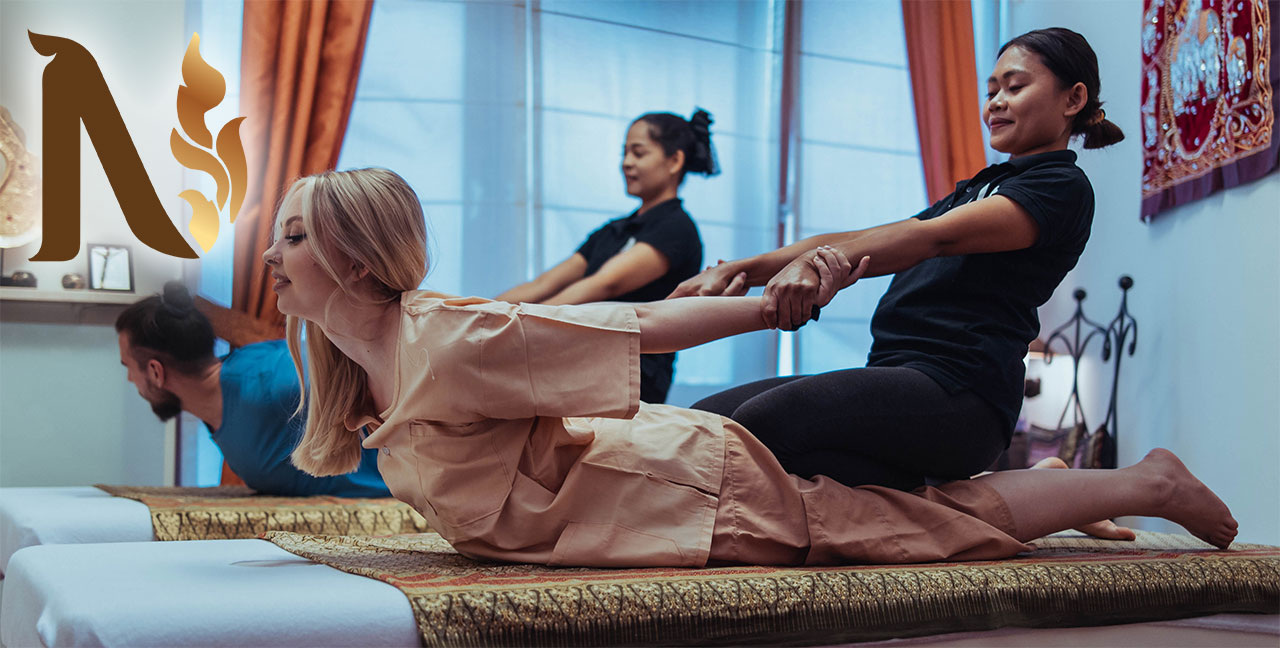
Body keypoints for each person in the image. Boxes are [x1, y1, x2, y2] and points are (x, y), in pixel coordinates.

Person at [260, 166, 1236, 569]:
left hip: (682, 497)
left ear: (351, 255)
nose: (270, 257)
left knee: (923, 530)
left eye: (292, 238)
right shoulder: (371, 376)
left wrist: (769, 303)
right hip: (646, 489)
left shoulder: (446, 347)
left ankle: (1140, 479)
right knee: (891, 490)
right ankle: (1063, 486)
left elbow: (635, 324)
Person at [673, 28, 1127, 493]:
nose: (995, 103)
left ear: (1073, 99)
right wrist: (742, 270)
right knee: (704, 425)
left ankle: (976, 497)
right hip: (897, 375)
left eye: (1014, 87)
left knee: (762, 425)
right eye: (991, 92)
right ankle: (989, 490)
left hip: (962, 396)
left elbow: (929, 238)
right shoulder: (980, 186)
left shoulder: (1060, 187)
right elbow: (863, 239)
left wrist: (817, 265)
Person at [496, 109, 715, 403]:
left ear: (674, 160)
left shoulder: (676, 229)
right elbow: (544, 284)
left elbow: (605, 284)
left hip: (631, 375)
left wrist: (525, 325)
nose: (626, 163)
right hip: (585, 362)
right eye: (624, 153)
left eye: (638, 153)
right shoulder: (614, 231)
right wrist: (479, 314)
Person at [114, 285, 390, 497]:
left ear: (155, 372)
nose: (129, 379)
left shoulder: (272, 384)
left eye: (128, 366)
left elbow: (376, 374)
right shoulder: (230, 398)